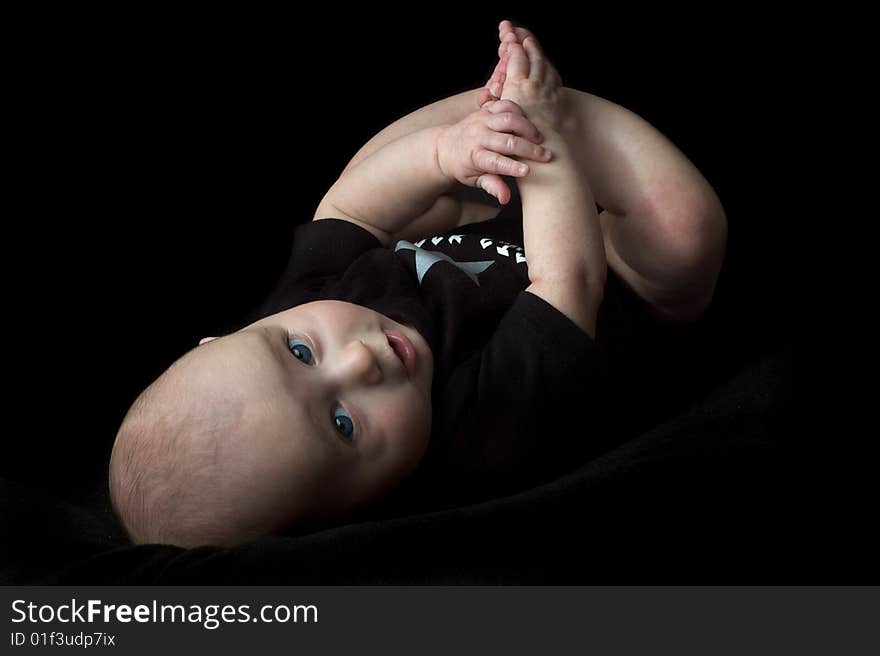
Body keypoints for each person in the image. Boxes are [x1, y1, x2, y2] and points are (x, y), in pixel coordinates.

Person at [109, 20, 727, 548]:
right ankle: (532, 112)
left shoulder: (289, 310)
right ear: (353, 515)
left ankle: (490, 121)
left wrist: (443, 155)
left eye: (300, 351)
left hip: (471, 225)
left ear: (222, 338)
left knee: (356, 192)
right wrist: (540, 140)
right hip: (606, 266)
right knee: (684, 231)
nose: (359, 361)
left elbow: (352, 214)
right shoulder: (479, 433)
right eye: (343, 424)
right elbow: (568, 278)